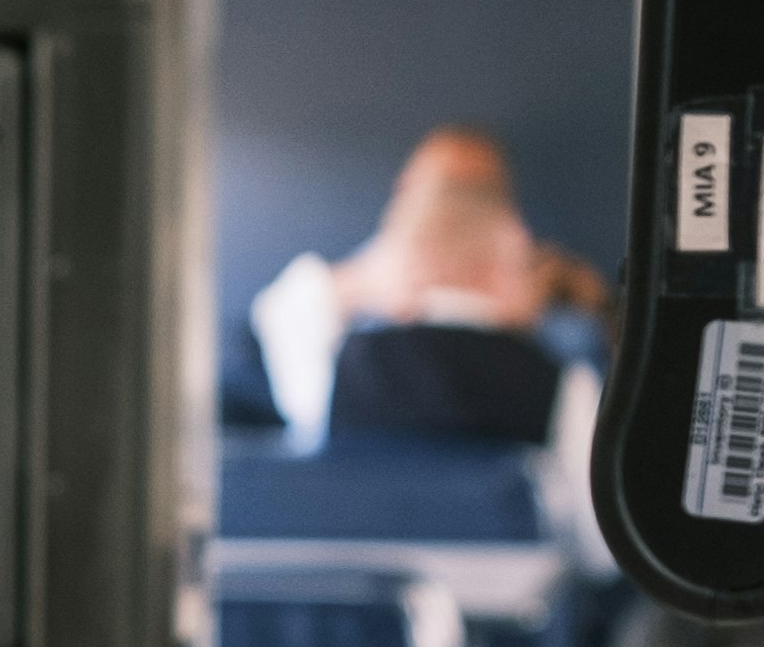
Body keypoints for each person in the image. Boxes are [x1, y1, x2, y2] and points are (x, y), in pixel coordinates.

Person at [249, 124, 613, 446]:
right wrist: (364, 283)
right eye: (440, 191)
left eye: (472, 193)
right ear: (405, 191)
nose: (450, 211)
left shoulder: (563, 323)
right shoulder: (349, 314)